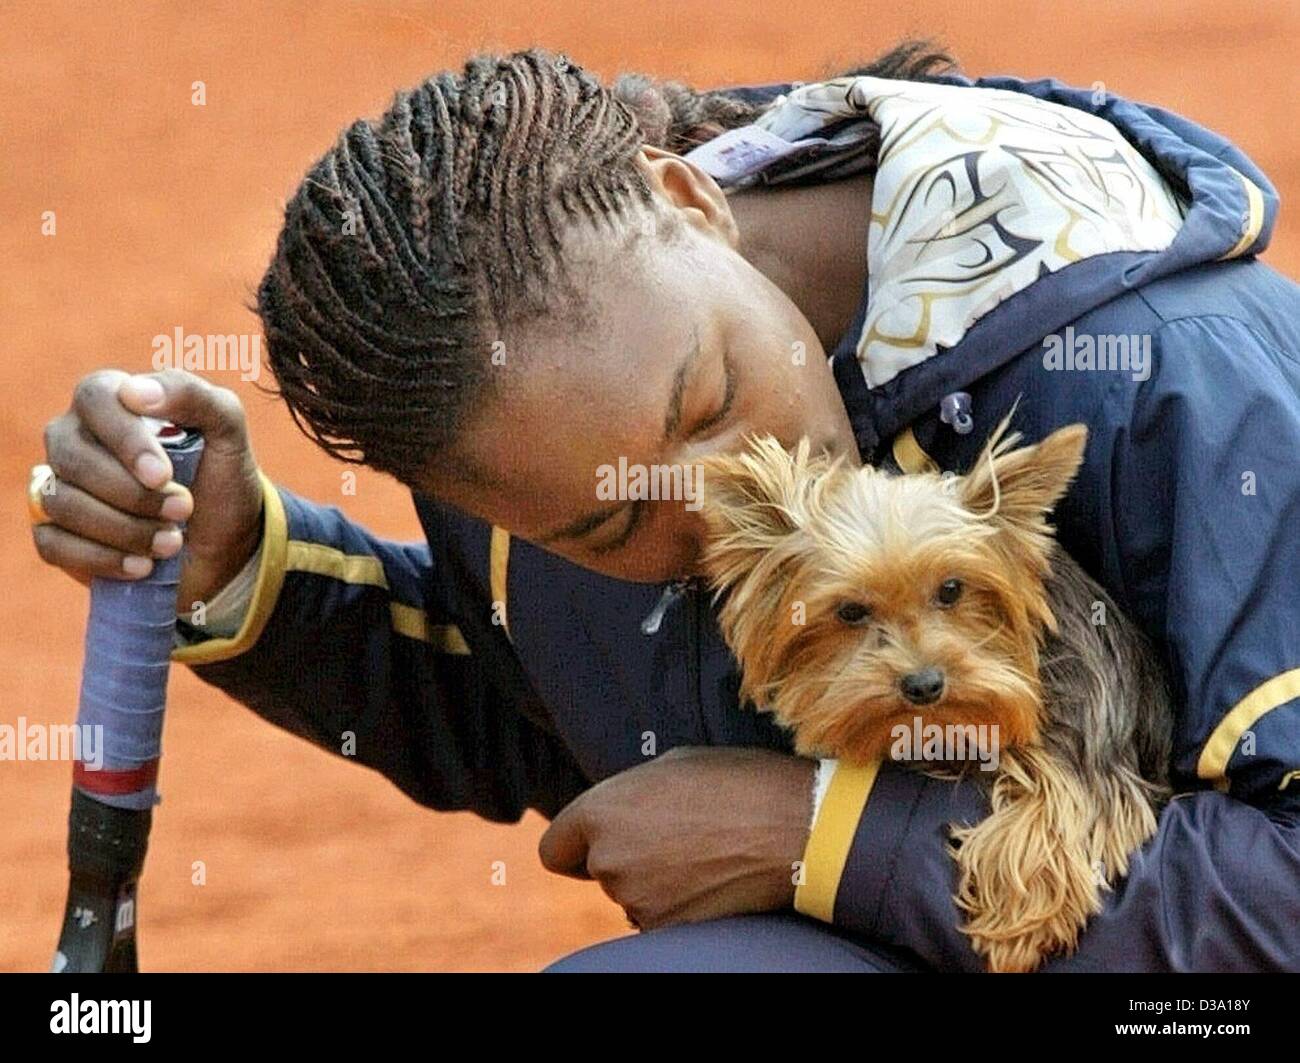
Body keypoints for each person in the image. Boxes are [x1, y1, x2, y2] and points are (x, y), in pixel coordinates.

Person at [30, 43, 1300, 971]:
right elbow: (563, 710)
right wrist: (249, 563)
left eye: (707, 401)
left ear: (689, 196)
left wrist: (830, 841)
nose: (714, 507)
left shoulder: (1181, 381)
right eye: (602, 533)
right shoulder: (530, 428)